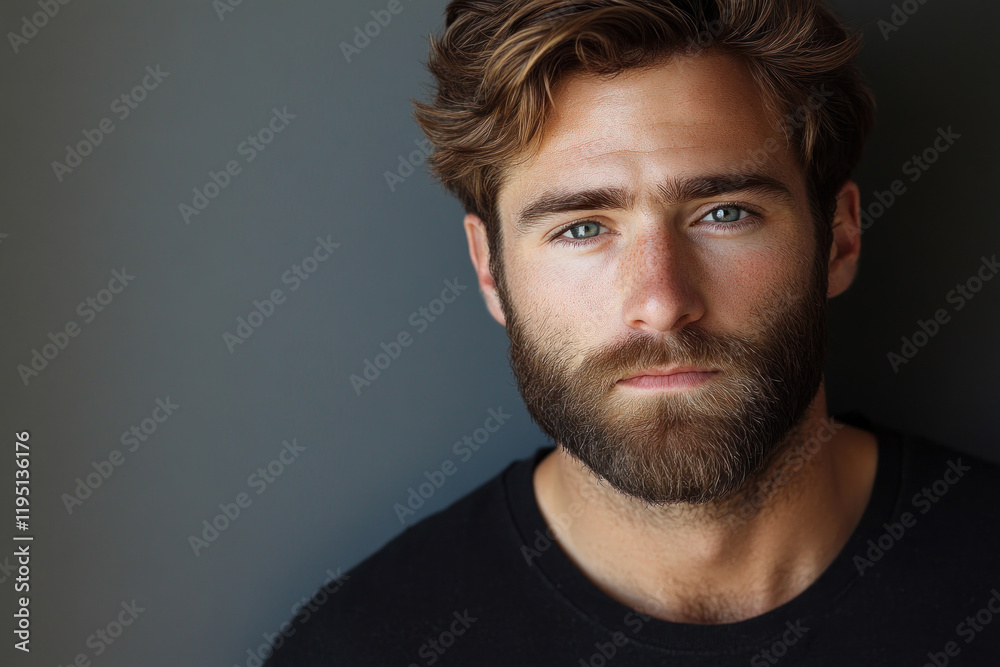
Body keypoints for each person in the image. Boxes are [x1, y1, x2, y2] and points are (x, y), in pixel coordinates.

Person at [265, 1, 1000, 664]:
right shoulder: (357, 648)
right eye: (583, 227)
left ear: (838, 238)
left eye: (725, 213)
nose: (661, 301)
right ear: (490, 270)